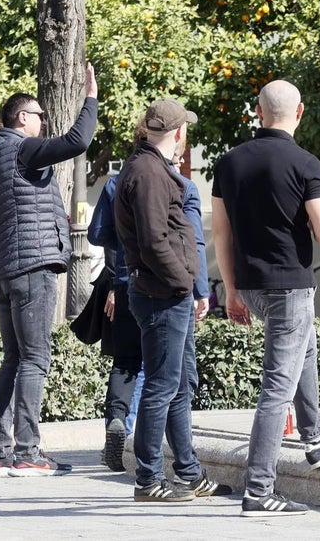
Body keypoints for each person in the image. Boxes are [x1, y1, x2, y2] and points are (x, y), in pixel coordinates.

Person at [212, 80, 320, 517]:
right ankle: (259, 489)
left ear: (258, 111)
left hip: (249, 284)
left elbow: (221, 232)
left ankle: (315, 439)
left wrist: (231, 291)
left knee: (303, 350)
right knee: (276, 388)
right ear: (300, 112)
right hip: (289, 284)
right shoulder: (306, 163)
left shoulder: (228, 162)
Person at [0, 63, 97, 477]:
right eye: (40, 116)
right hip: (32, 267)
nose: (45, 122)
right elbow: (78, 140)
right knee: (35, 358)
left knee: (13, 358)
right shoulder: (22, 148)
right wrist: (91, 99)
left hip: (5, 270)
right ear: (21, 118)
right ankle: (28, 452)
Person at [113, 98, 226, 502]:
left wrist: (189, 286)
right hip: (162, 294)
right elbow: (154, 240)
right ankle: (147, 479)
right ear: (179, 132)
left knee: (178, 386)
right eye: (185, 131)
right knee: (162, 387)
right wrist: (185, 282)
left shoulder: (151, 168)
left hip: (167, 292)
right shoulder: (148, 172)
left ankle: (189, 471)